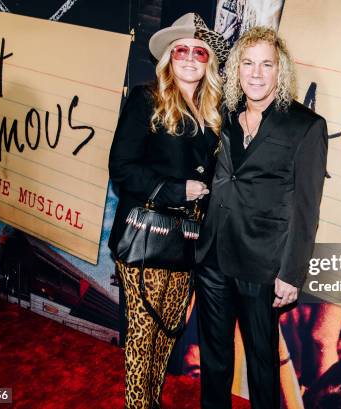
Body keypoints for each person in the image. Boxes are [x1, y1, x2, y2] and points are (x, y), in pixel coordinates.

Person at [195, 26, 329, 409]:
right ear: (236, 70)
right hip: (213, 257)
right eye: (248, 64)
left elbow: (307, 209)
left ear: (280, 71)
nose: (256, 73)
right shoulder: (224, 113)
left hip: (263, 265)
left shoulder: (306, 126)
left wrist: (292, 273)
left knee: (262, 364)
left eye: (266, 65)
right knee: (214, 360)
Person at [107, 13, 227, 409]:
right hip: (147, 235)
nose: (191, 59)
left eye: (200, 52)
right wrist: (177, 190)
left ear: (208, 62)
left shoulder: (213, 114)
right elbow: (121, 168)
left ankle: (151, 402)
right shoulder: (147, 99)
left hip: (186, 243)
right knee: (143, 339)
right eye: (181, 51)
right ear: (168, 58)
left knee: (166, 336)